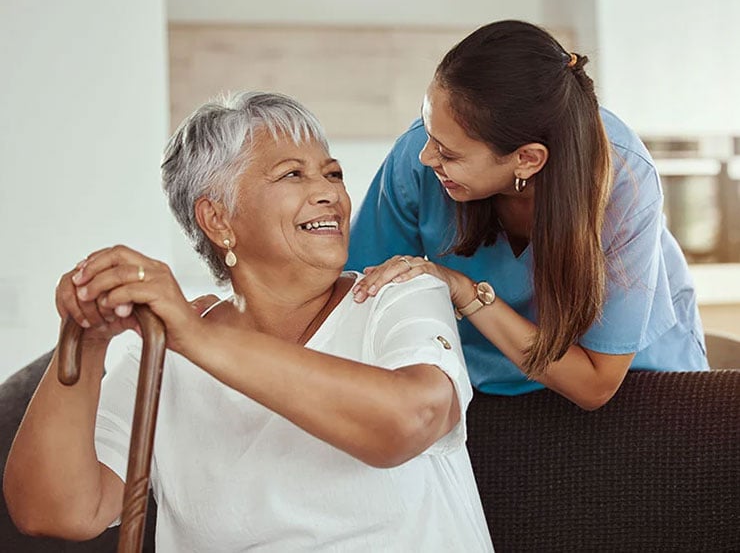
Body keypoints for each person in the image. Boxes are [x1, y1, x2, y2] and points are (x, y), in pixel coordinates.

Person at [4, 92, 493, 552]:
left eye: (333, 173)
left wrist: (196, 339)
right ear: (217, 219)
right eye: (292, 175)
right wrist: (86, 342)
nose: (330, 194)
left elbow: (410, 421)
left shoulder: (398, 293)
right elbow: (57, 511)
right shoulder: (161, 353)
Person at [348, 20, 708, 410]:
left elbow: (594, 384)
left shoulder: (623, 178)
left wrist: (463, 290)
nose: (425, 155)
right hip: (478, 386)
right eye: (429, 134)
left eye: (449, 154)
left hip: (633, 385)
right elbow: (360, 303)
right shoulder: (418, 159)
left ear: (527, 159)